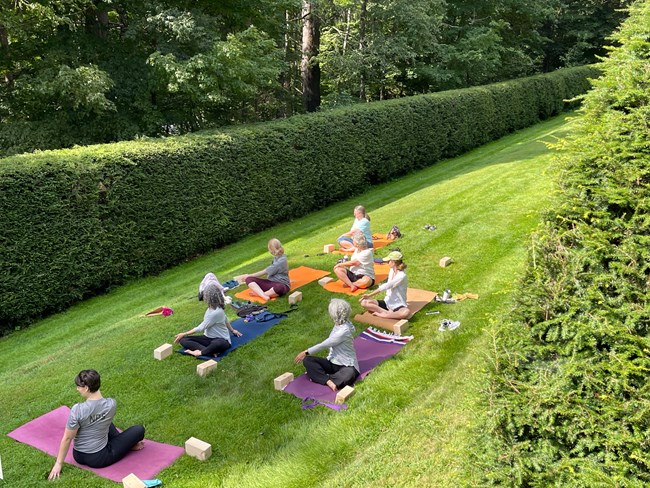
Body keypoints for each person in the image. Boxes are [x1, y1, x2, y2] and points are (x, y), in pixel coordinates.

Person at [48, 370, 145, 480]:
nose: (77, 389)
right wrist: (58, 464)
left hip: (78, 455)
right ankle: (128, 446)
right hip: (100, 458)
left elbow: (67, 438)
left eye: (79, 386)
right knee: (138, 429)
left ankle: (126, 445)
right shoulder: (111, 404)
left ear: (86, 388)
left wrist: (59, 463)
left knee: (105, 422)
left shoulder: (77, 409)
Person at [294, 299, 359, 392]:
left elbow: (325, 344)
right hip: (332, 363)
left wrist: (306, 351)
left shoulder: (344, 330)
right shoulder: (338, 324)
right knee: (308, 360)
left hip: (347, 366)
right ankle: (328, 380)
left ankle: (321, 377)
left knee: (350, 374)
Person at [175, 283, 242, 357]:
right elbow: (225, 319)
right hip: (208, 338)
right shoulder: (211, 308)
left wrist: (184, 333)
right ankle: (210, 351)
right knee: (184, 340)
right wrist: (233, 331)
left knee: (218, 343)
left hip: (221, 340)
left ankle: (201, 352)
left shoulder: (216, 312)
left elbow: (201, 327)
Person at [359, 250, 410, 320]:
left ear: (394, 262)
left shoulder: (401, 275)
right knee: (364, 303)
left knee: (405, 312)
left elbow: (386, 286)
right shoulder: (392, 270)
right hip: (387, 302)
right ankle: (388, 313)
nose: (387, 263)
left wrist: (369, 295)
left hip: (398, 304)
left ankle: (385, 315)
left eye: (388, 261)